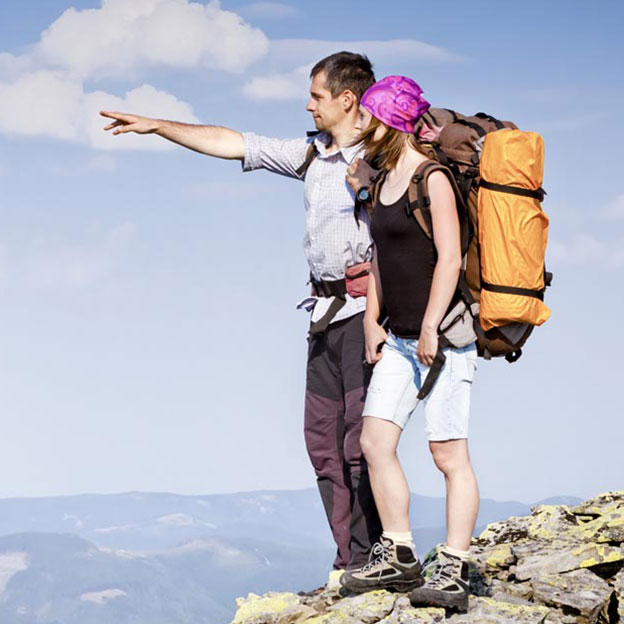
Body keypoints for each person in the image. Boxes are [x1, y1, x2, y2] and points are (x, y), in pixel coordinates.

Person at [100, 52, 382, 579]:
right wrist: (160, 126)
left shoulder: (383, 159)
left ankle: (376, 556)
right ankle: (349, 560)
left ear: (348, 99)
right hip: (323, 313)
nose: (308, 104)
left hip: (365, 314)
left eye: (317, 96)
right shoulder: (311, 155)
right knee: (322, 443)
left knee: (359, 445)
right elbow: (236, 143)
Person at [341, 76, 479, 612]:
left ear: (390, 122)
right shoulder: (379, 183)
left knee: (448, 454)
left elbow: (450, 258)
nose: (359, 127)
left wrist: (428, 326)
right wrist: (374, 321)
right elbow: (379, 259)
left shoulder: (432, 177)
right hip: (398, 338)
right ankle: (399, 554)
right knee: (375, 443)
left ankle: (454, 565)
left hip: (445, 339)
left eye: (367, 118)